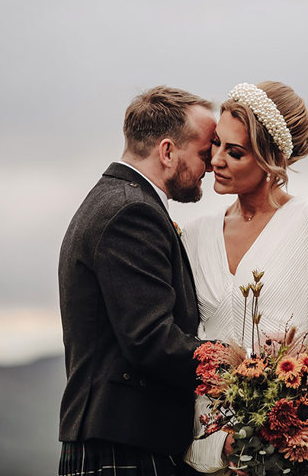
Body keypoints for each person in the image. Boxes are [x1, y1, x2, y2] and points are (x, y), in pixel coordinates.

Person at [182, 82, 308, 473]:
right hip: (208, 453)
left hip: (288, 460)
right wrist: (216, 447)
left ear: (273, 160)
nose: (216, 159)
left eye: (234, 152)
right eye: (215, 143)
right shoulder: (193, 235)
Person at [58, 86, 216, 476]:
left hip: (117, 436)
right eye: (203, 152)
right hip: (127, 441)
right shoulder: (131, 211)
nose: (210, 167)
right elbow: (150, 339)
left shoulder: (113, 200)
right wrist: (237, 366)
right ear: (167, 151)